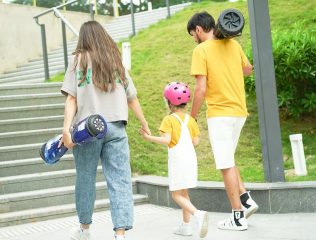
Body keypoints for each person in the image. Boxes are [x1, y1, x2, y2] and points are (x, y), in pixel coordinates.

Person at [60, 20, 150, 240]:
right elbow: (132, 97)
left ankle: (84, 230)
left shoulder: (78, 60)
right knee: (119, 180)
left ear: (84, 38)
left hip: (87, 130)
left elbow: (71, 98)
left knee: (85, 178)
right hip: (116, 128)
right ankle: (120, 234)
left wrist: (65, 130)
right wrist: (144, 122)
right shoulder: (115, 61)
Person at [187, 11, 259, 231]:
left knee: (225, 164)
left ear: (199, 30)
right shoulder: (233, 45)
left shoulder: (201, 50)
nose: (194, 39)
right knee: (228, 159)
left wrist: (192, 117)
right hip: (239, 112)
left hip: (220, 114)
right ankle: (246, 200)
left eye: (192, 34)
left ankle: (237, 217)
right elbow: (248, 70)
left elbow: (200, 89)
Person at [139, 82, 209, 238]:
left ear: (169, 102)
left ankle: (197, 214)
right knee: (184, 193)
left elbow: (166, 140)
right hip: (191, 159)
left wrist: (148, 137)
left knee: (176, 195)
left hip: (178, 160)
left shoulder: (168, 119)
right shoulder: (191, 120)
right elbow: (196, 142)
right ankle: (186, 226)